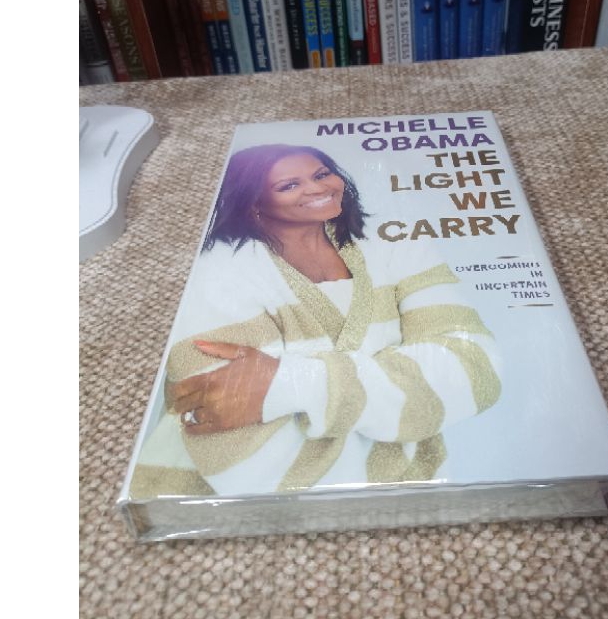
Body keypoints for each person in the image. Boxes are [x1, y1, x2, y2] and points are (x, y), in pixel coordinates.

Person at [130, 144, 502, 498]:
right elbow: (230, 437)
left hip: (415, 495)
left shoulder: (399, 243)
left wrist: (291, 383)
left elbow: (476, 371)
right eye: (289, 185)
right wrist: (402, 399)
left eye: (322, 174)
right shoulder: (218, 274)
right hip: (227, 508)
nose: (317, 188)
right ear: (254, 202)